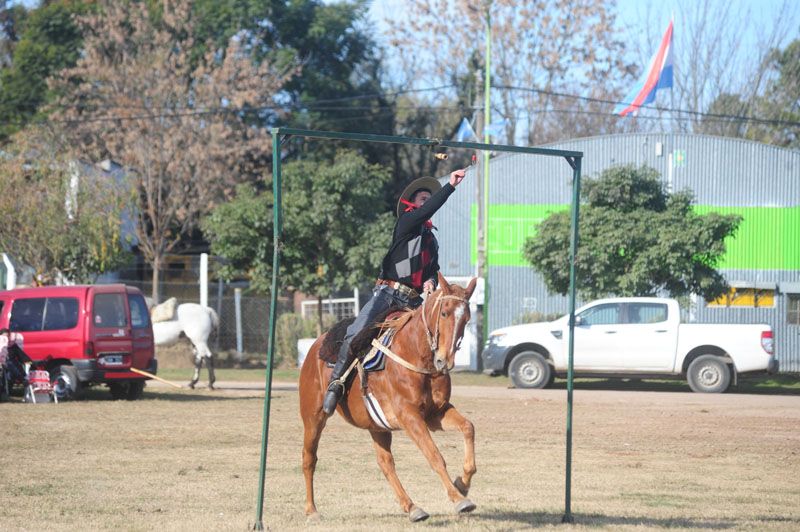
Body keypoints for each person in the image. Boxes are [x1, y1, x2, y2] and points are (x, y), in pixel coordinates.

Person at [322, 167, 467, 414]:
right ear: (413, 205)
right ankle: (336, 383)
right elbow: (428, 210)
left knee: (430, 340)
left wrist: (430, 280)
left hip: (412, 300)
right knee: (357, 332)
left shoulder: (432, 240)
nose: (427, 203)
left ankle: (425, 391)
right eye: (424, 199)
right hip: (387, 294)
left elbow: (434, 268)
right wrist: (450, 186)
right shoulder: (406, 222)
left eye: (428, 200)